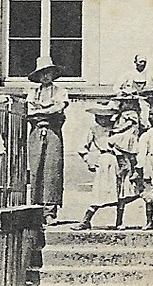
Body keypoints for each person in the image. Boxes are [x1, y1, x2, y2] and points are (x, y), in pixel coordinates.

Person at [75, 101, 138, 230]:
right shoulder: (93, 130)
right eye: (99, 117)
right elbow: (82, 148)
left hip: (118, 160)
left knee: (120, 190)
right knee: (101, 191)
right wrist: (89, 161)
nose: (102, 120)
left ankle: (119, 221)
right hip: (103, 161)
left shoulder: (116, 128)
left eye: (105, 117)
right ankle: (86, 220)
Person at [23, 54, 69, 224]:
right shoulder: (32, 92)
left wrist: (43, 110)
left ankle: (50, 211)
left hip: (53, 132)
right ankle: (36, 209)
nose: (45, 76)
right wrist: (45, 110)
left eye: (48, 72)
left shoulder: (60, 91)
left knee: (52, 170)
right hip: (36, 132)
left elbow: (58, 109)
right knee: (36, 168)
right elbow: (30, 112)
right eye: (42, 73)